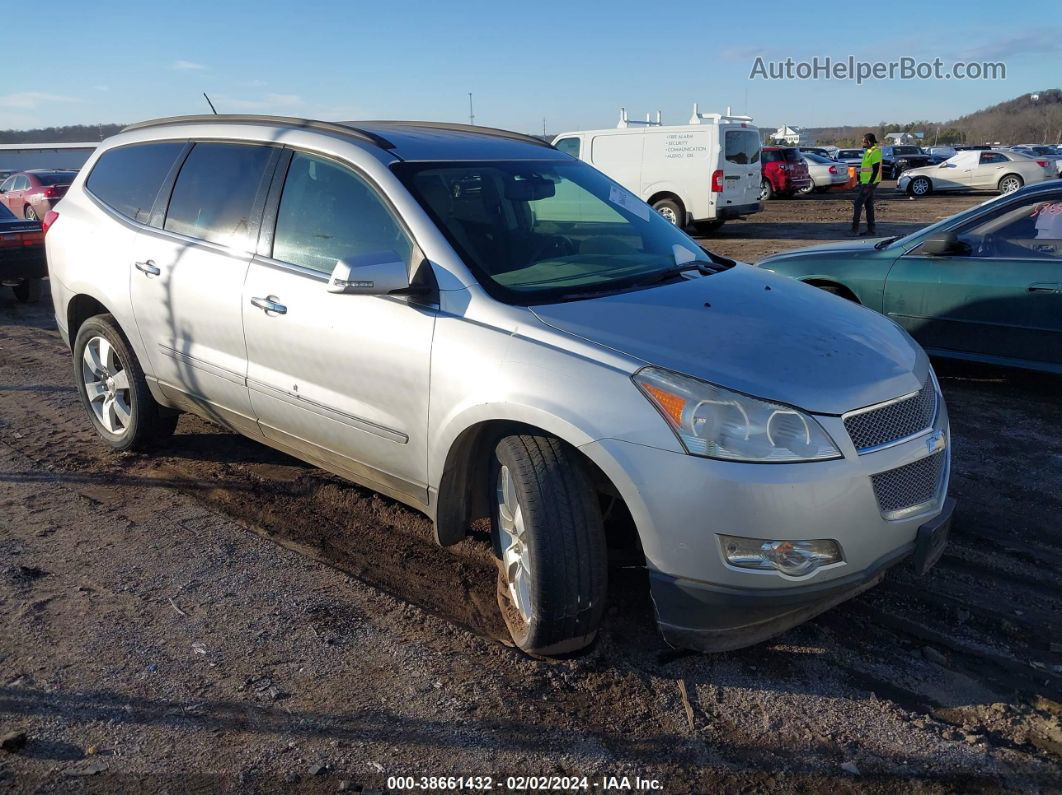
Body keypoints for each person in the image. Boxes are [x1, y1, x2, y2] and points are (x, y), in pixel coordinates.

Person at [851, 133, 882, 236]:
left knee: (858, 203)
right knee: (868, 206)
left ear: (869, 141)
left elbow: (876, 169)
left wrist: (870, 183)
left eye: (863, 141)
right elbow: (866, 169)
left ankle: (854, 230)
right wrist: (861, 180)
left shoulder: (875, 152)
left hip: (870, 183)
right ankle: (871, 230)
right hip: (866, 182)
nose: (862, 143)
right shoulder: (868, 152)